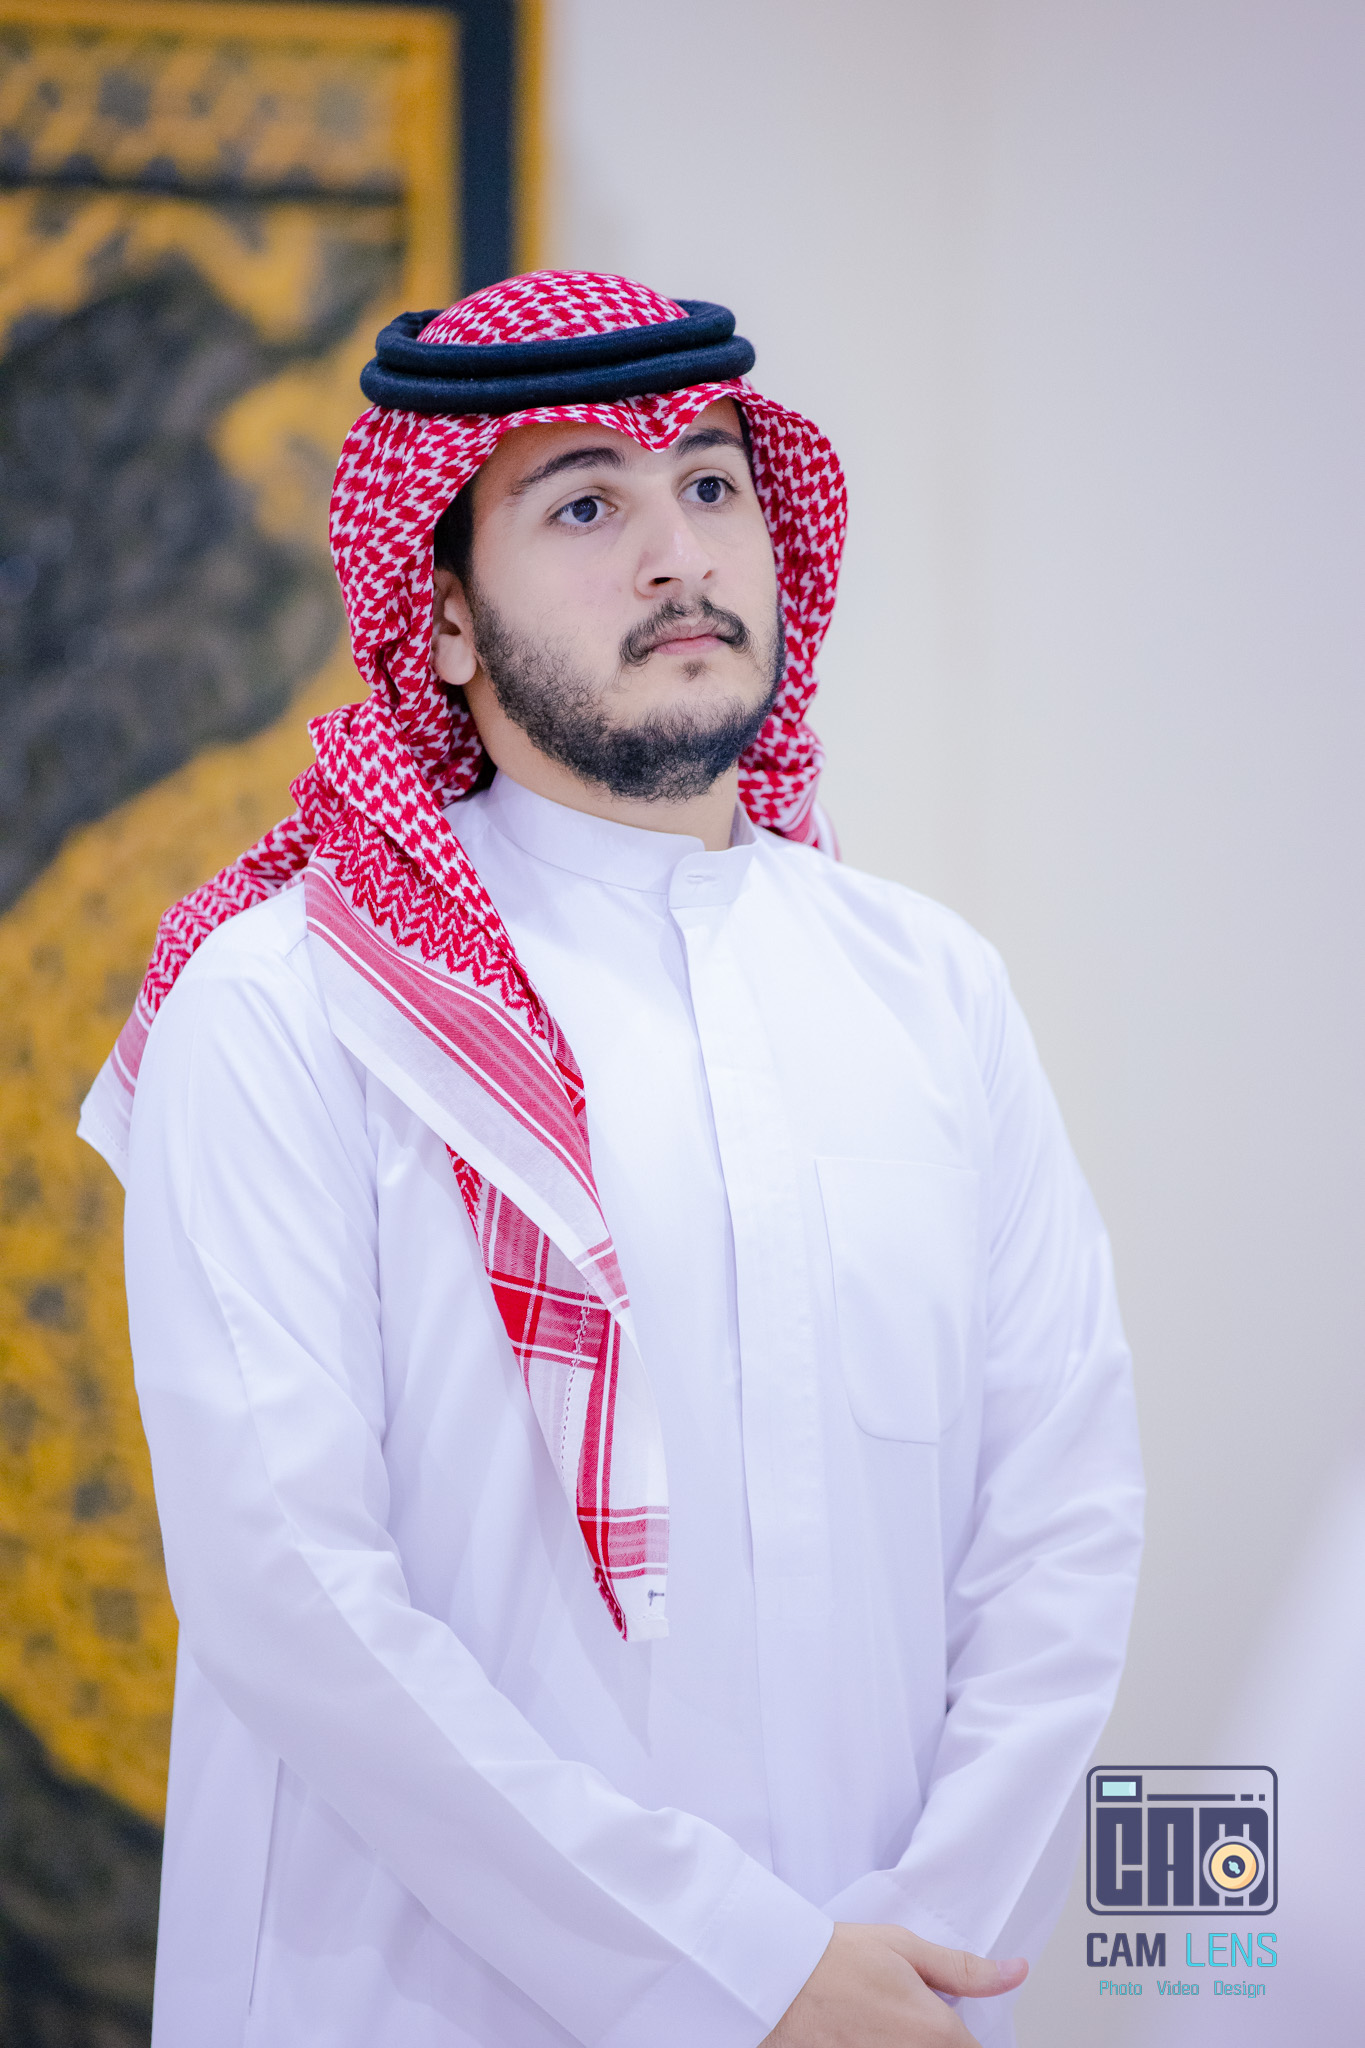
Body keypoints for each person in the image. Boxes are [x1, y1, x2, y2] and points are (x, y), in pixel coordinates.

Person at [80, 271, 1143, 2048]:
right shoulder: (287, 1005)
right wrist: (741, 1972)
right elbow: (293, 1595)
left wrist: (920, 1948)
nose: (680, 557)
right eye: (586, 506)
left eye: (712, 486)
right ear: (441, 618)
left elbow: (1062, 1515)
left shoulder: (928, 988)